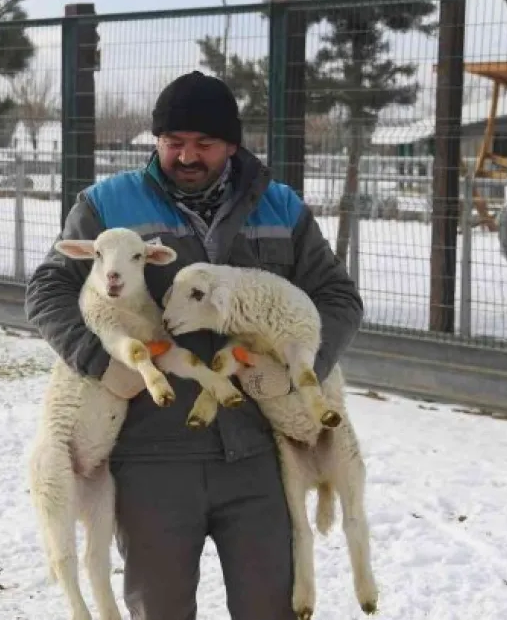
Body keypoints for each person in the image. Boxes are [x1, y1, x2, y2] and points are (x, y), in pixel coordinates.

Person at [24, 71, 364, 620]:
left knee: (270, 609)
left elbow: (337, 297)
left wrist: (304, 369)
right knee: (160, 611)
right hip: (151, 454)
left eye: (203, 143)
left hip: (259, 454)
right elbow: (47, 289)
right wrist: (97, 362)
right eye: (173, 142)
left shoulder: (281, 209)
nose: (186, 156)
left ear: (231, 144)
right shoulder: (107, 205)